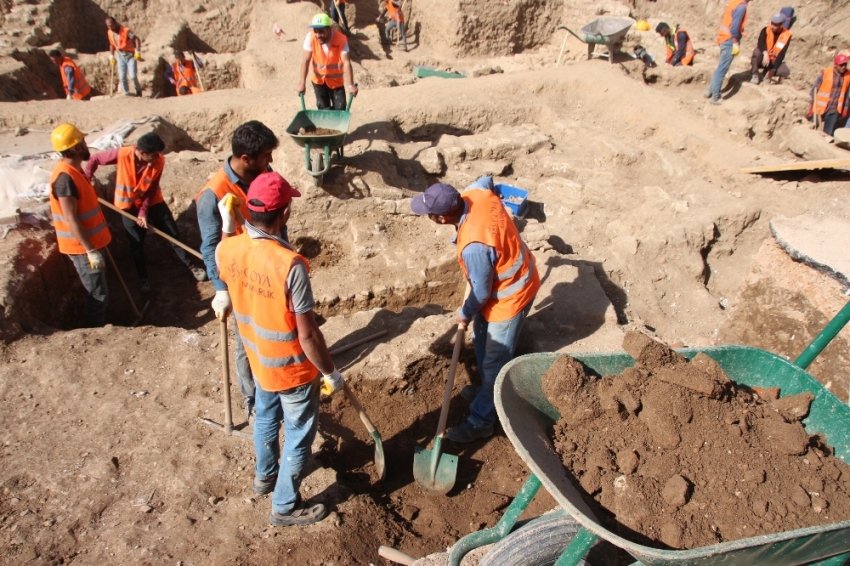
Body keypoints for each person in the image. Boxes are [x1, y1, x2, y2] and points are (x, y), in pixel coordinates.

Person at [215, 171, 343, 527]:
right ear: (284, 213)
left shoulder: (230, 247)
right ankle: (285, 505)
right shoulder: (291, 266)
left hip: (259, 361)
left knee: (266, 418)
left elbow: (224, 251)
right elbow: (309, 336)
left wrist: (228, 224)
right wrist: (331, 372)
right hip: (291, 369)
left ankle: (264, 477)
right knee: (300, 435)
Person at [409, 178, 541, 443]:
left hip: (511, 295)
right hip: (496, 287)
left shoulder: (474, 245)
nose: (428, 217)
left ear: (443, 218)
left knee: (495, 364)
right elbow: (487, 180)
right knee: (480, 340)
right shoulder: (476, 193)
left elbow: (480, 294)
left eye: (429, 214)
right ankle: (484, 389)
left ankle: (481, 421)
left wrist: (465, 312)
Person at [196, 120, 281, 422]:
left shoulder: (264, 175)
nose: (270, 162)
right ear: (246, 158)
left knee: (275, 333)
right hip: (240, 278)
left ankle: (276, 384)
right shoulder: (213, 194)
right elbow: (210, 247)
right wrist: (220, 289)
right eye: (266, 155)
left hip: (268, 271)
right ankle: (253, 400)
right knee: (247, 341)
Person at [85, 133, 207, 294]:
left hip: (153, 203)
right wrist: (86, 180)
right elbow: (95, 159)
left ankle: (190, 265)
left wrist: (143, 212)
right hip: (128, 206)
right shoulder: (123, 154)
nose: (157, 157)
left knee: (173, 233)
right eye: (153, 154)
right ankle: (143, 278)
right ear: (141, 152)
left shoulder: (159, 161)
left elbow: (151, 190)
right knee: (136, 243)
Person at [48, 124, 112, 327]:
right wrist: (90, 250)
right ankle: (97, 334)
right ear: (74, 148)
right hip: (83, 249)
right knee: (98, 296)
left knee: (101, 291)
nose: (86, 145)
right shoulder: (64, 179)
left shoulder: (74, 171)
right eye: (82, 143)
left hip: (91, 244)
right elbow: (70, 218)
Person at [297, 13, 358, 110]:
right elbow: (305, 60)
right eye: (315, 31)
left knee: (340, 107)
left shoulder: (341, 39)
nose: (318, 35)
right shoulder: (310, 37)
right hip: (318, 81)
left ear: (329, 29)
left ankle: (336, 124)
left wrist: (351, 85)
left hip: (336, 82)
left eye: (321, 31)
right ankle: (325, 125)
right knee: (322, 107)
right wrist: (302, 83)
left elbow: (346, 62)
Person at [706, 0, 751, 105]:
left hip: (723, 38)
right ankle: (715, 97)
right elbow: (734, 28)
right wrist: (735, 43)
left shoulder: (735, 2)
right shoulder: (741, 7)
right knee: (722, 70)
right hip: (729, 41)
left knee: (719, 68)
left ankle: (709, 91)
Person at [810, 54, 850, 137]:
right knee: (811, 129)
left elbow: (846, 96)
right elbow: (814, 89)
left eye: (845, 65)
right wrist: (811, 105)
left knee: (827, 134)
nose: (843, 67)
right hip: (819, 108)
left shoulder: (848, 76)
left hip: (834, 110)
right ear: (835, 65)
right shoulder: (826, 73)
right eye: (841, 65)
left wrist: (845, 109)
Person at [105, 16, 142, 97]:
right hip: (120, 56)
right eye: (108, 26)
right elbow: (111, 44)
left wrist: (137, 51)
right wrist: (111, 55)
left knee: (132, 76)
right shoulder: (110, 32)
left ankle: (138, 90)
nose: (111, 27)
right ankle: (126, 93)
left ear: (115, 23)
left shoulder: (125, 31)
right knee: (122, 77)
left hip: (130, 56)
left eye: (111, 25)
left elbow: (136, 39)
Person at [751, 13, 792, 85]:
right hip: (762, 58)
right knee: (757, 52)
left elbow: (782, 54)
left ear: (781, 25)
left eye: (775, 25)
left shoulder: (786, 35)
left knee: (785, 71)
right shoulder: (766, 30)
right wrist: (765, 53)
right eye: (772, 23)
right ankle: (755, 74)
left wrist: (773, 69)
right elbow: (760, 43)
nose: (772, 26)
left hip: (773, 60)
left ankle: (766, 72)